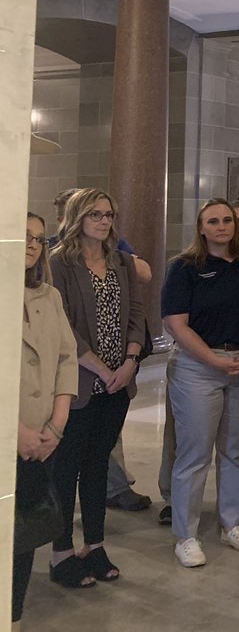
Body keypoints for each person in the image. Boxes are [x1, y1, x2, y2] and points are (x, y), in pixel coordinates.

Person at [161, 199, 239, 568]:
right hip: (198, 367)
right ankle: (186, 535)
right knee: (194, 455)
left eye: (228, 220)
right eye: (213, 221)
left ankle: (231, 524)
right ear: (201, 227)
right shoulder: (184, 267)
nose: (223, 227)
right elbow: (175, 323)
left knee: (235, 451)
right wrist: (212, 359)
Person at [48, 188, 148, 588]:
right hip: (79, 381)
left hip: (118, 381)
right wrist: (100, 368)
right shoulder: (59, 263)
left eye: (108, 214)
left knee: (97, 464)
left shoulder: (122, 261)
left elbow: (138, 312)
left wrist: (129, 361)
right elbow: (63, 324)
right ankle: (60, 552)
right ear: (77, 217)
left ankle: (94, 543)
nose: (103, 221)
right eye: (94, 214)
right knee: (65, 468)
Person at [16, 213, 78, 623]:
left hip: (42, 438)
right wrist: (13, 432)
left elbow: (65, 358)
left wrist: (56, 424)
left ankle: (13, 616)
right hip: (12, 436)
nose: (33, 244)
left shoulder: (48, 296)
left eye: (39, 238)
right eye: (23, 236)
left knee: (23, 536)